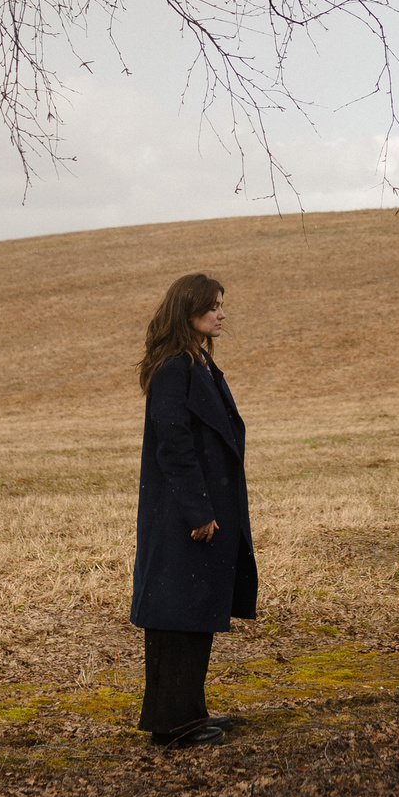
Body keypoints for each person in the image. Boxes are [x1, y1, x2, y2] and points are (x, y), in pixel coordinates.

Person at [131, 272, 257, 748]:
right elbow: (175, 447)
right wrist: (199, 510)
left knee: (194, 611)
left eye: (223, 305)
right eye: (214, 306)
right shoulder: (174, 369)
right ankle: (175, 723)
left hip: (197, 512)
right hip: (183, 518)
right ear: (189, 310)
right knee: (177, 614)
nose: (222, 314)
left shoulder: (196, 364)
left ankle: (186, 713)